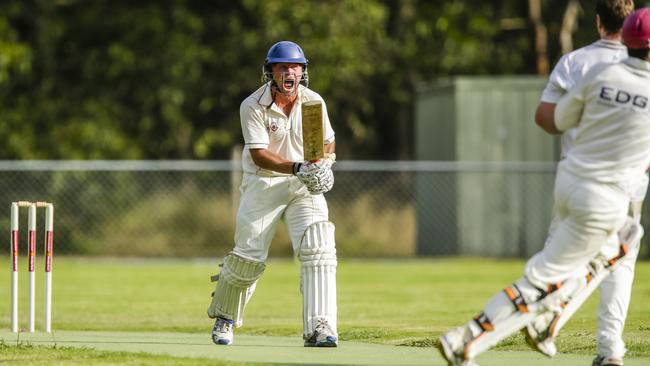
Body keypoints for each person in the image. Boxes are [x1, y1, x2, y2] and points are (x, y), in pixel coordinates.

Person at [437, 8, 650, 366]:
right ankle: (465, 339)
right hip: (606, 199)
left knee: (624, 243)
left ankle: (551, 316)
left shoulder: (596, 73)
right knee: (542, 279)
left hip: (570, 183)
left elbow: (557, 119)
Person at [206, 40, 339, 347]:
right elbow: (259, 155)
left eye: (294, 67)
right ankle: (226, 317)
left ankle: (320, 327)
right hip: (264, 183)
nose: (288, 72)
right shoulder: (252, 105)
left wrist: (324, 164)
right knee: (248, 257)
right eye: (281, 67)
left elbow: (326, 143)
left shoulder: (313, 102)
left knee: (320, 248)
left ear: (303, 71)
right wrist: (297, 168)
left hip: (303, 187)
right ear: (270, 72)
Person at [533, 2, 644, 365]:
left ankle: (539, 321)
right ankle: (610, 349)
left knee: (557, 255)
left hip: (578, 176)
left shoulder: (575, 63)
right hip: (627, 184)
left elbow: (548, 120)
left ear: (597, 21)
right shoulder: (642, 71)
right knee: (619, 265)